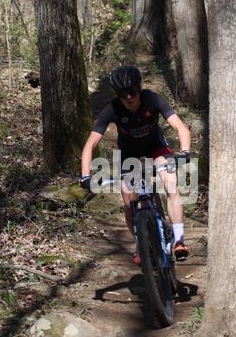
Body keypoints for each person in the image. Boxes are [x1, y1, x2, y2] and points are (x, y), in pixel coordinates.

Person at [80, 65, 190, 263]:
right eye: (123, 94)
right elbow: (91, 143)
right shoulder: (112, 109)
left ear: (139, 88)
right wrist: (85, 175)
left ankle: (179, 240)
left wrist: (185, 152)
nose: (129, 97)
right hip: (128, 153)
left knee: (171, 183)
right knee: (129, 201)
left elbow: (180, 126)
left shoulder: (152, 99)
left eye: (132, 91)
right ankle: (140, 243)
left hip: (155, 146)